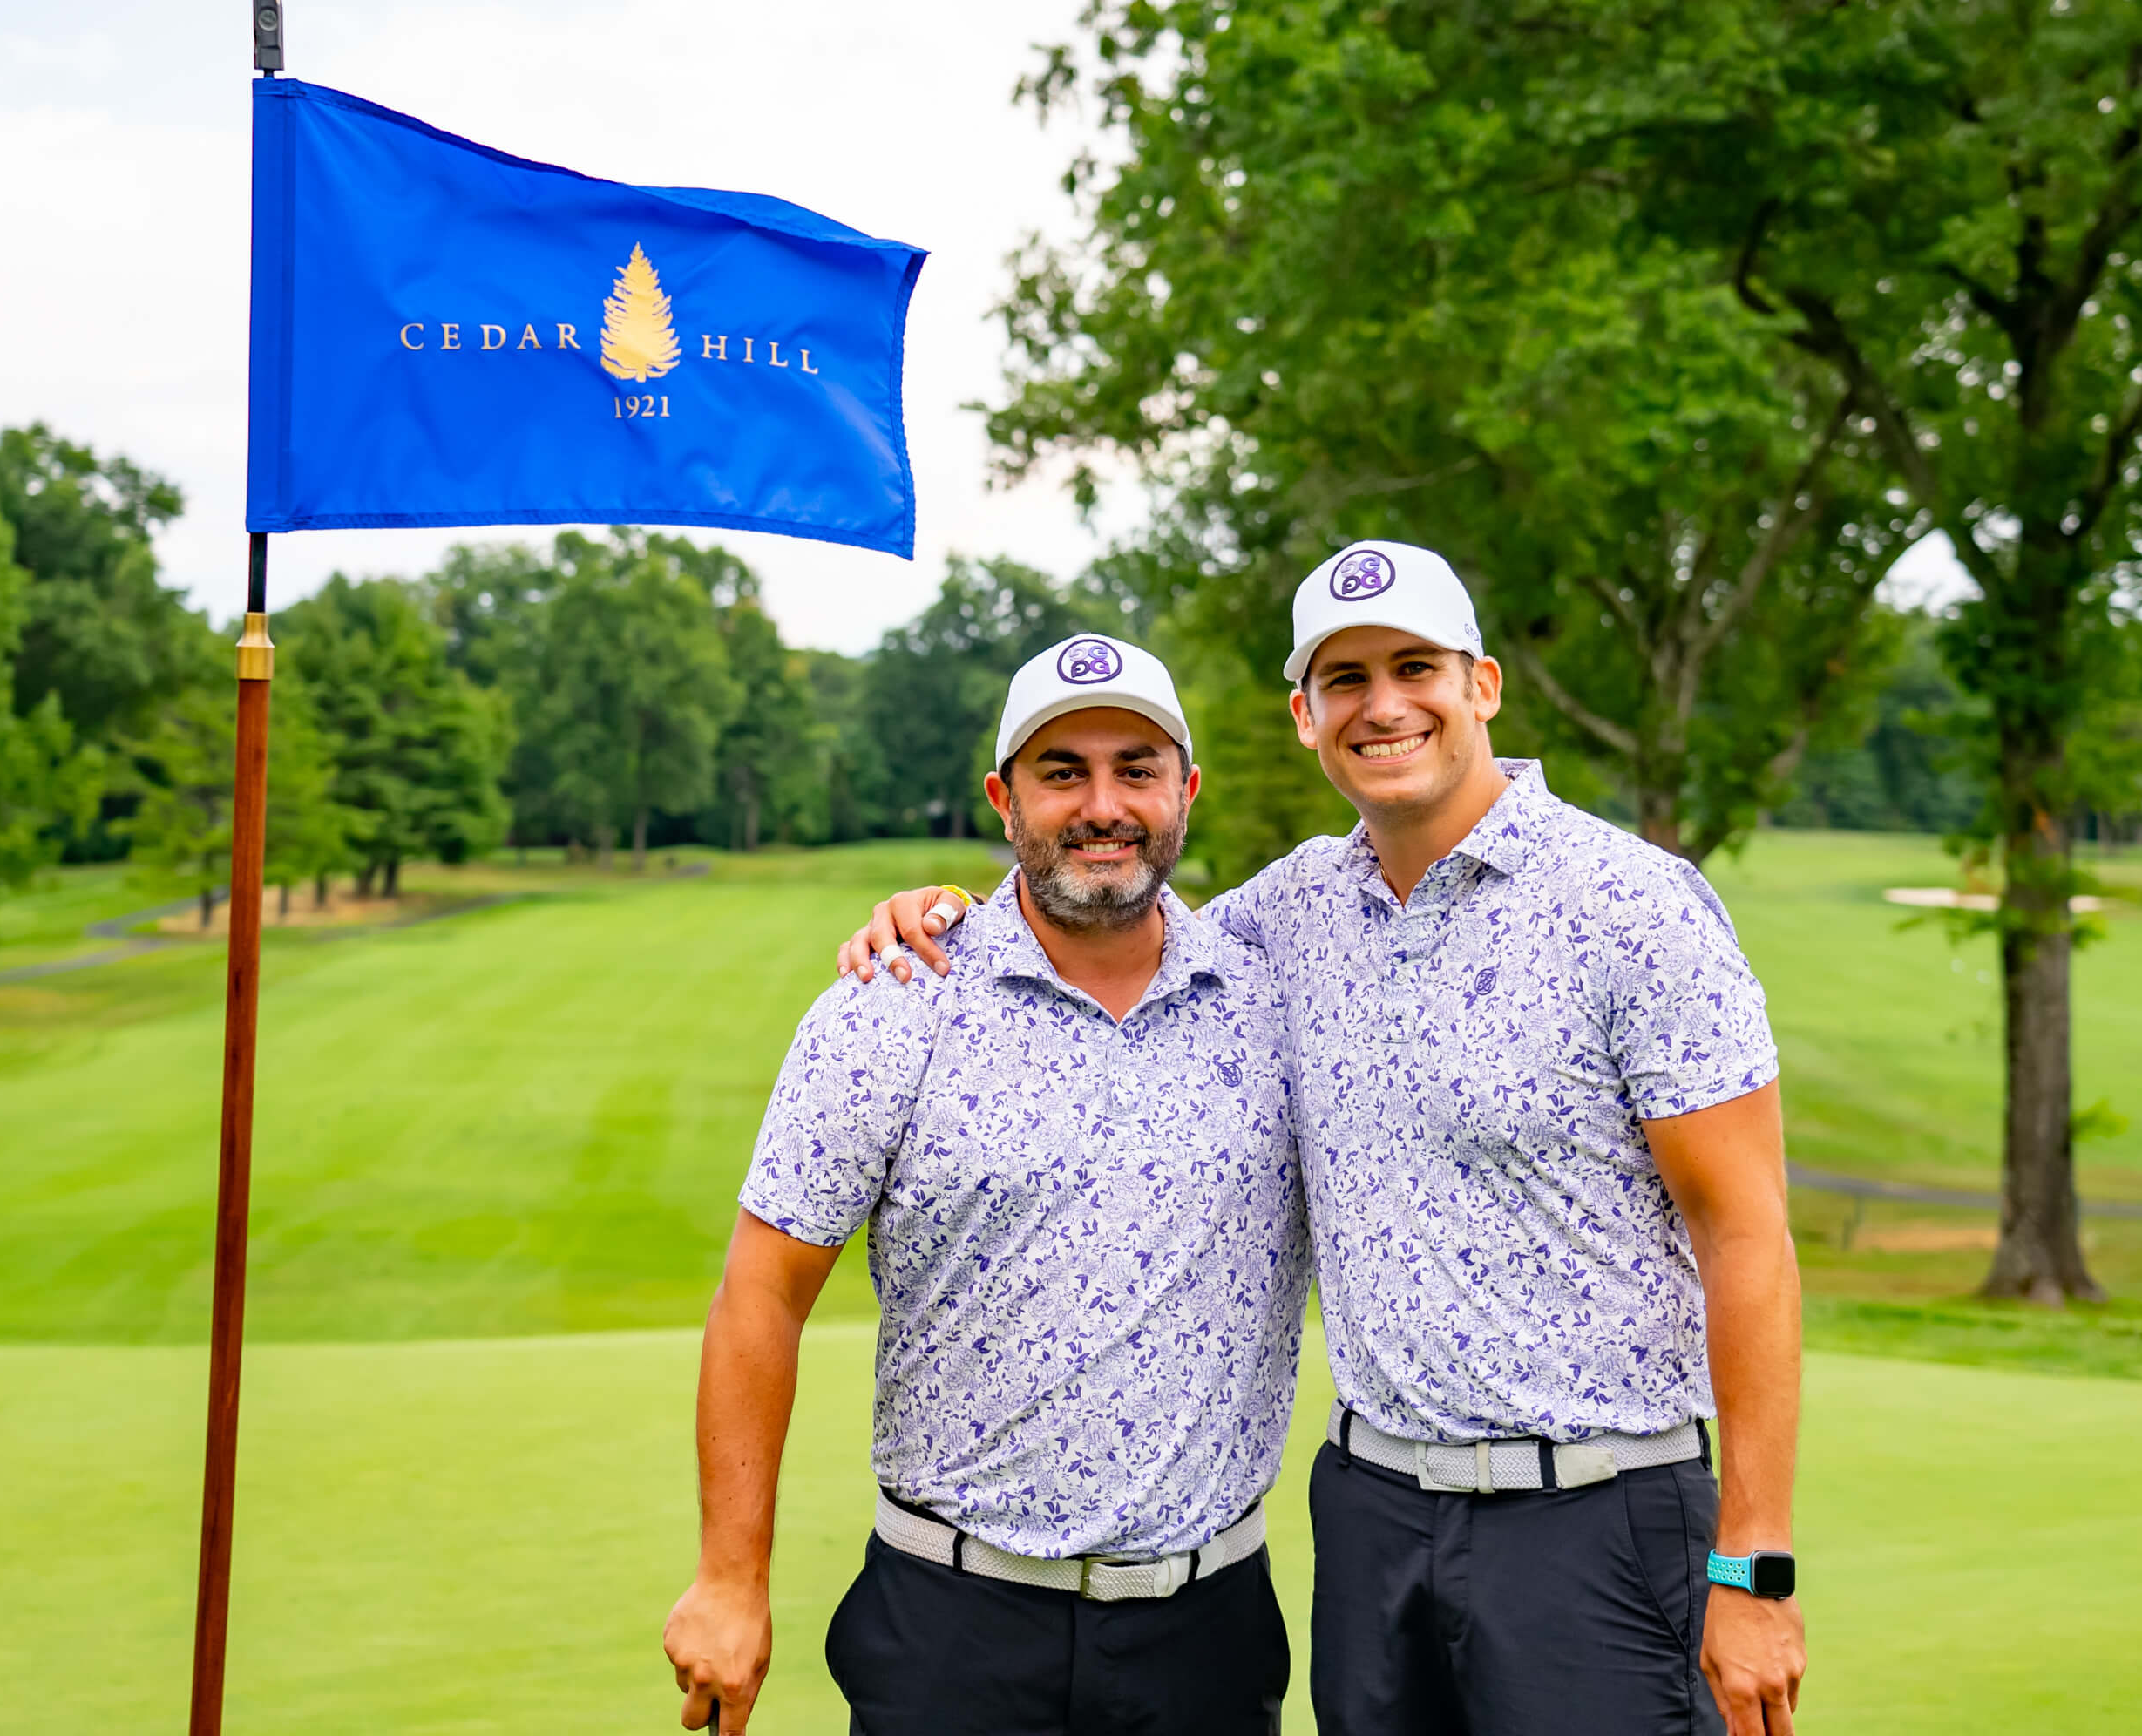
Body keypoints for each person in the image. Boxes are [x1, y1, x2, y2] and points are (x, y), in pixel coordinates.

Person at [839, 542, 1808, 1736]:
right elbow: (1107, 908)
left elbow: (1746, 1230)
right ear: (1305, 716)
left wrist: (1751, 1569)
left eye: (1415, 667)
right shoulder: (1284, 914)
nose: (1383, 704)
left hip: (1595, 1517)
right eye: (1345, 679)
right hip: (1372, 1518)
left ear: (1483, 685)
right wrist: (940, 914)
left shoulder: (1634, 905)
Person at [663, 633, 1311, 1736]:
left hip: (1206, 1634)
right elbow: (759, 1297)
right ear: (1003, 798)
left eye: (1135, 769)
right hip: (952, 1630)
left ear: (1186, 790)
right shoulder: (895, 997)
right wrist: (731, 1577)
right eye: (1062, 772)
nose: (1103, 804)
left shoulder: (1273, 994)